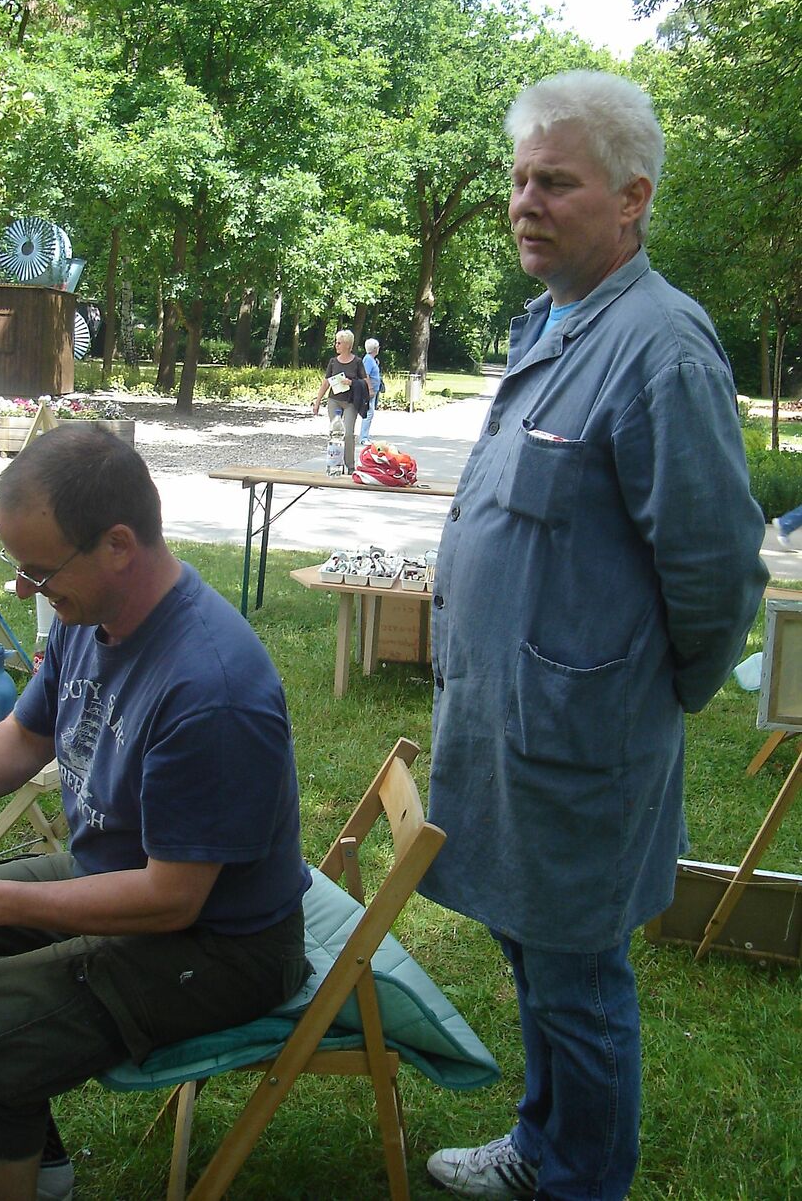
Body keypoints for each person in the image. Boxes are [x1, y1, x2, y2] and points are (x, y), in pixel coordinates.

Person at [420, 70, 767, 1201]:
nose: (526, 200)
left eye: (555, 182)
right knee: (535, 949)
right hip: (513, 724)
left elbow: (716, 567)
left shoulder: (662, 348)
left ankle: (578, 1179)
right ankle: (544, 1144)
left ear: (631, 198)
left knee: (577, 977)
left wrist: (650, 694)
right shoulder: (556, 321)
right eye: (520, 178)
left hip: (582, 738)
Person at [0, 426, 312, 1201]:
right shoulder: (86, 617)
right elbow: (26, 735)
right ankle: (37, 1172)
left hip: (225, 948)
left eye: (38, 569)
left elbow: (172, 900)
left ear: (119, 545)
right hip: (129, 880)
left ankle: (9, 1160)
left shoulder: (211, 688)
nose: (22, 589)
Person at [312, 328, 368, 473]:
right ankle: (335, 464)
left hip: (350, 401)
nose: (336, 345)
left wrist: (352, 382)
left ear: (348, 345)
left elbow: (366, 383)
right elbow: (326, 383)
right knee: (335, 433)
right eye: (336, 342)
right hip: (334, 400)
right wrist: (317, 402)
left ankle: (350, 465)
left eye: (339, 343)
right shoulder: (333, 362)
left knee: (348, 433)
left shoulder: (357, 362)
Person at [358, 338, 382, 445]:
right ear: (375, 348)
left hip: (374, 390)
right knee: (368, 413)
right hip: (369, 390)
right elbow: (365, 375)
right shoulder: (368, 359)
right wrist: (370, 388)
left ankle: (365, 436)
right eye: (377, 347)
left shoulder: (372, 359)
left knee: (370, 413)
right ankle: (363, 438)